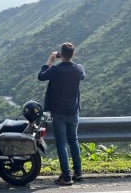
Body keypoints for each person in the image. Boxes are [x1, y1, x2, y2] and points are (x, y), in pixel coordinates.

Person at [38, 42, 86, 185]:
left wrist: (50, 61)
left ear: (61, 54)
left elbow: (41, 76)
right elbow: (82, 75)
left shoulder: (56, 70)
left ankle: (66, 177)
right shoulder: (79, 69)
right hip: (73, 111)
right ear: (73, 54)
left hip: (58, 112)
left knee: (61, 144)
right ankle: (78, 173)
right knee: (74, 141)